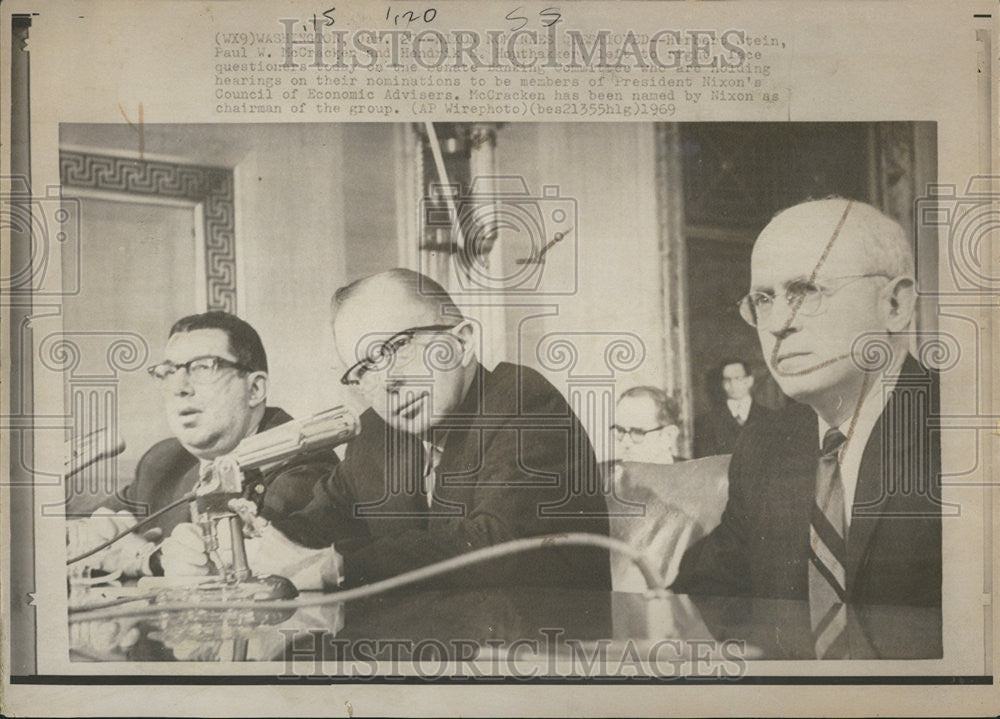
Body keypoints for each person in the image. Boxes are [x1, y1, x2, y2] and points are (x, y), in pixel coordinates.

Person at [163, 269, 611, 590]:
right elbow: (315, 525)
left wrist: (334, 566)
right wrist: (227, 545)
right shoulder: (380, 432)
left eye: (395, 348)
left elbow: (497, 547)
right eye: (363, 369)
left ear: (463, 340)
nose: (386, 382)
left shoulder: (521, 398)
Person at [672, 198, 941, 657]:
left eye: (807, 291)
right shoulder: (768, 443)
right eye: (763, 299)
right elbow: (707, 590)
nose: (777, 324)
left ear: (895, 305)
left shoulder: (967, 435)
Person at [70, 311, 337, 577]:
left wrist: (146, 558)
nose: (179, 388)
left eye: (202, 367)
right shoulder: (164, 460)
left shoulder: (301, 457)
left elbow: (238, 560)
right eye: (169, 371)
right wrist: (139, 553)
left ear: (254, 389)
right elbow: (85, 537)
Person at [693, 359, 775, 457]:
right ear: (722, 383)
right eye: (727, 379)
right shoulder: (706, 422)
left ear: (749, 381)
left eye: (737, 378)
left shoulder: (770, 417)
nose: (732, 384)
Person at [612, 386, 681, 464]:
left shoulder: (693, 473)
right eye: (620, 430)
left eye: (637, 432)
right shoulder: (601, 474)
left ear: (669, 436)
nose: (625, 443)